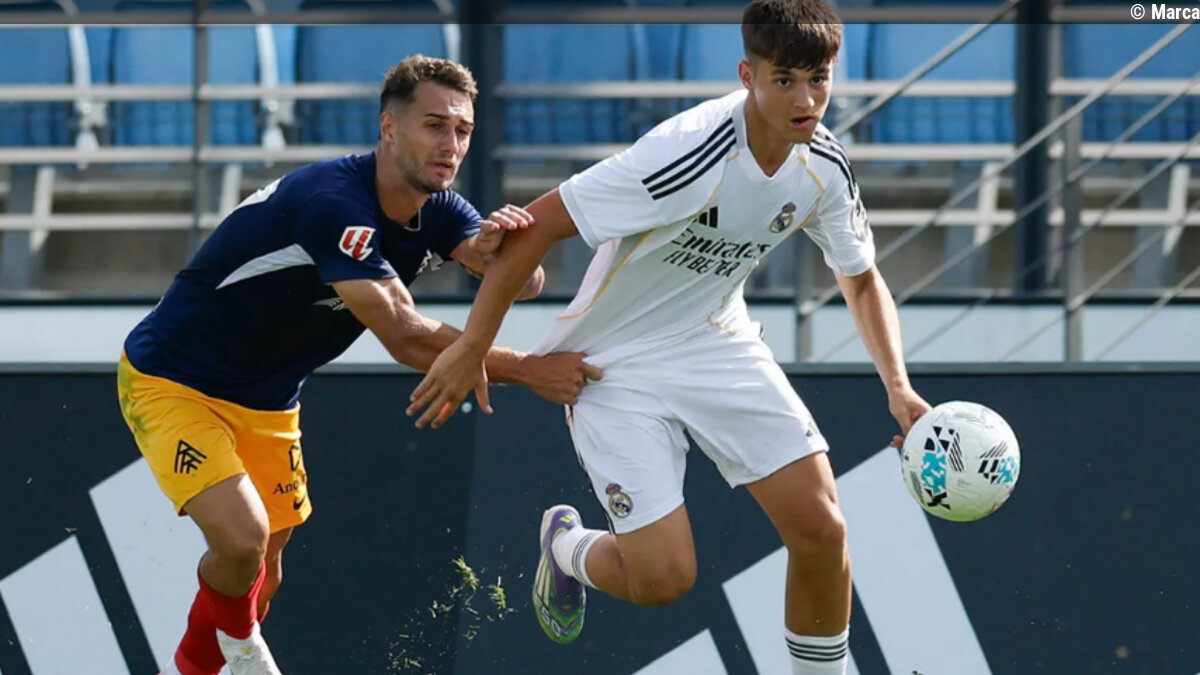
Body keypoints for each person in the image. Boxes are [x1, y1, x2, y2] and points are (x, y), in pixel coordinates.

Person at [406, 2, 932, 673]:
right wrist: (473, 347)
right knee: (664, 579)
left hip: (716, 339)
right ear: (748, 75)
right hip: (613, 361)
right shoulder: (686, 153)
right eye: (785, 81)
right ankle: (567, 548)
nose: (805, 100)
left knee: (823, 528)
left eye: (818, 80)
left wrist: (899, 388)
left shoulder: (825, 165)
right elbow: (535, 228)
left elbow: (859, 278)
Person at [118, 55, 600, 675]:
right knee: (241, 542)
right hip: (173, 382)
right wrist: (531, 370)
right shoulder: (331, 202)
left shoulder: (441, 208)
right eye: (434, 125)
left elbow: (520, 279)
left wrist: (505, 249)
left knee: (264, 570)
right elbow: (403, 335)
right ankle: (240, 651)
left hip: (269, 402)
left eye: (462, 131)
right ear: (388, 128)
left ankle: (200, 664)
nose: (450, 145)